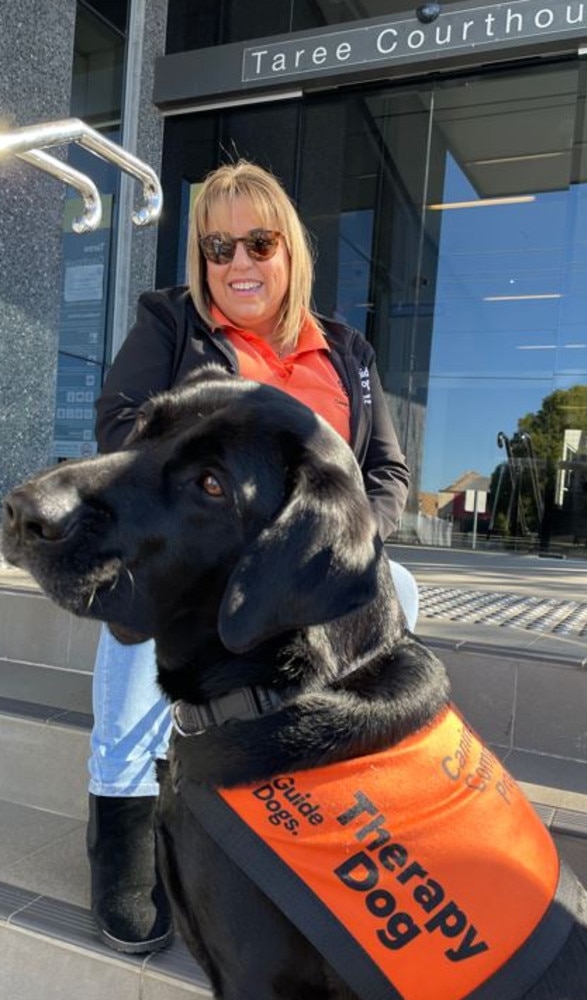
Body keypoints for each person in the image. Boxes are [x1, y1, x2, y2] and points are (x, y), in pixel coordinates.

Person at [87, 159, 420, 954]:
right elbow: (119, 421)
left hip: (299, 556)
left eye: (258, 243)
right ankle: (123, 816)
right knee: (159, 594)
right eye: (217, 247)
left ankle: (311, 799)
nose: (237, 263)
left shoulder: (347, 351)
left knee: (394, 585)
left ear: (290, 251)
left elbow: (388, 473)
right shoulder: (173, 325)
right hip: (197, 544)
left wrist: (340, 543)